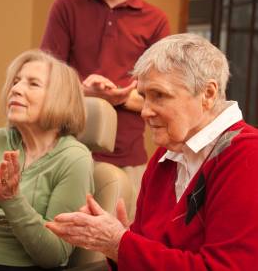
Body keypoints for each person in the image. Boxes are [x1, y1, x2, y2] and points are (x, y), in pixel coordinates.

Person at [45, 33, 258, 270]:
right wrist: (120, 244)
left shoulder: (248, 156)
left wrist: (120, 244)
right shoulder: (165, 156)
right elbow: (144, 250)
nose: (145, 111)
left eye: (160, 96)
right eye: (144, 96)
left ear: (207, 94)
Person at [40, 0, 170, 208]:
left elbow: (161, 99)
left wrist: (116, 97)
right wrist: (85, 92)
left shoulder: (156, 20)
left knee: (121, 239)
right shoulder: (66, 7)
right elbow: (46, 81)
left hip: (128, 159)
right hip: (63, 151)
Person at [0, 50, 94, 270]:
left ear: (60, 97)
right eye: (16, 81)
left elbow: (55, 255)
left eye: (33, 84)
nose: (16, 89)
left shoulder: (74, 158)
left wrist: (12, 200)